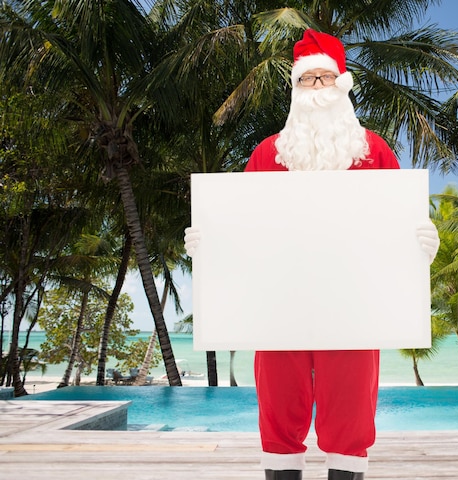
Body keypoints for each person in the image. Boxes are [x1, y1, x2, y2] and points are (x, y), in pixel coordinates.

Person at [185, 29, 440, 480]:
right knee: (279, 407)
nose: (318, 88)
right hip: (279, 304)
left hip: (354, 307)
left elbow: (400, 223)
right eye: (308, 80)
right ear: (295, 89)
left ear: (343, 84)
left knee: (351, 410)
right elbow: (241, 228)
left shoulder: (375, 150)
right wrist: (209, 246)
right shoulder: (267, 154)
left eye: (326, 78)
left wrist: (422, 245)